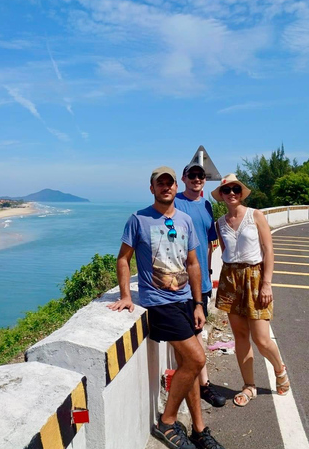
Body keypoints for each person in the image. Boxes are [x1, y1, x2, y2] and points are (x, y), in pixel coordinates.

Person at [109, 167, 224, 449]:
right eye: (159, 184)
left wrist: (198, 303)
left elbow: (194, 264)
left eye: (169, 183)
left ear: (175, 187)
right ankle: (168, 421)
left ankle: (199, 430)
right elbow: (123, 259)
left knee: (189, 365)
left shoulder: (184, 220)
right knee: (197, 360)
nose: (165, 188)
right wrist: (126, 295)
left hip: (186, 300)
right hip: (160, 303)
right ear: (152, 189)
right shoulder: (139, 219)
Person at [211, 173, 290, 407]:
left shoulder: (255, 215)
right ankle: (249, 386)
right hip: (230, 279)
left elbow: (268, 250)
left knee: (262, 338)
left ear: (241, 192)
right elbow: (225, 252)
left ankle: (279, 369)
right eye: (227, 190)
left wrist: (267, 283)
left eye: (236, 189)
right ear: (222, 196)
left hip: (255, 278)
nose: (232, 193)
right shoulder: (220, 223)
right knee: (241, 337)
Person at [173, 163, 226, 408]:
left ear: (205, 180)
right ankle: (192, 384)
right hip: (179, 282)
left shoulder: (206, 205)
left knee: (198, 332)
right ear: (183, 178)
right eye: (192, 175)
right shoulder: (175, 202)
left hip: (201, 283)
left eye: (200, 176)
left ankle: (202, 385)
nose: (197, 179)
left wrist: (206, 274)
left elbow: (208, 243)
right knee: (185, 337)